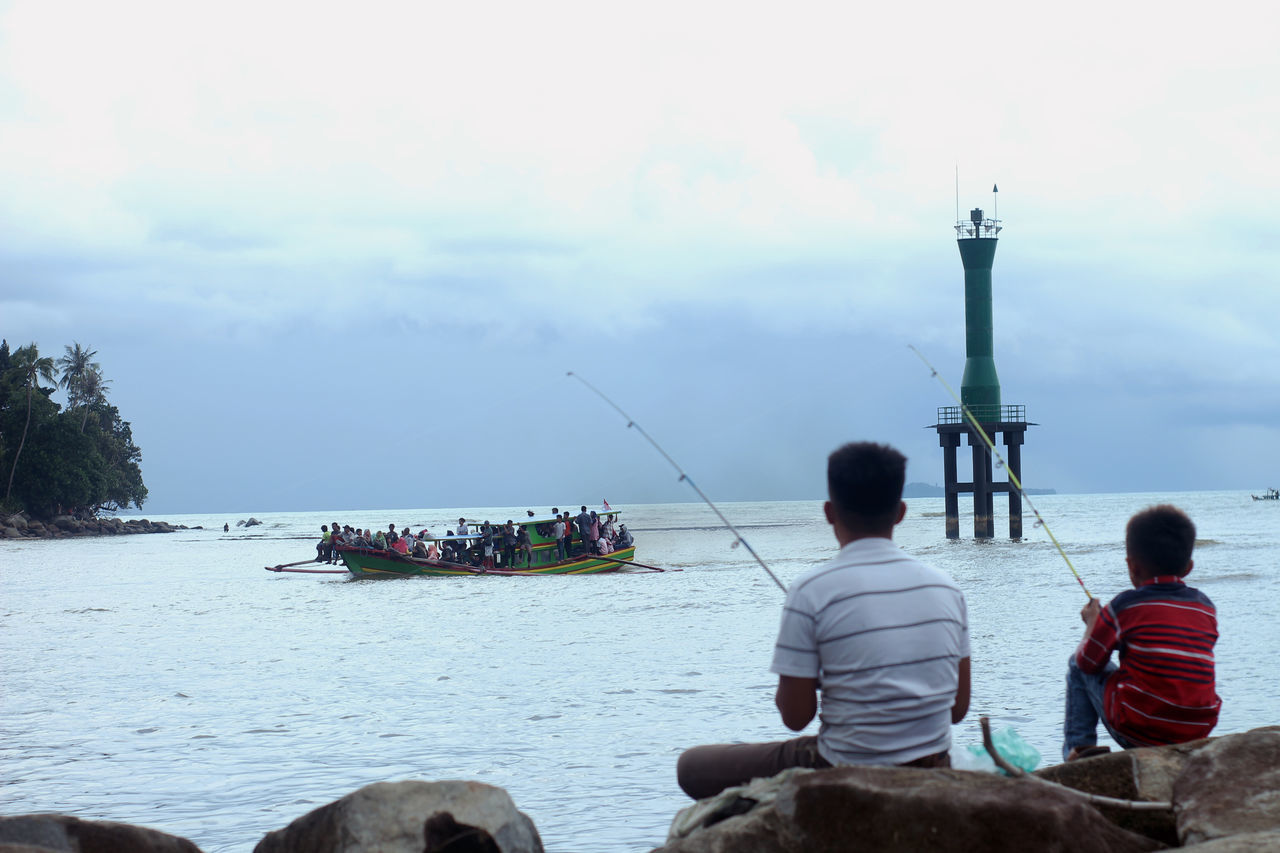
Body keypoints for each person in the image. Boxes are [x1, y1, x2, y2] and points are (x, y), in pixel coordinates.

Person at [676, 441, 970, 800]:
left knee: (692, 766)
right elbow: (957, 709)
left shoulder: (810, 591)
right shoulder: (947, 588)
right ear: (901, 512)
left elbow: (795, 717)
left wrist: (818, 679)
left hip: (843, 767)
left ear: (830, 512)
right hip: (934, 762)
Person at [1062, 504, 1220, 761]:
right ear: (1189, 567)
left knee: (1076, 665)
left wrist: (1093, 624)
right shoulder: (1205, 607)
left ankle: (1078, 753)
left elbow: (1088, 662)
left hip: (1141, 731)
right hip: (1196, 732)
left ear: (1132, 566)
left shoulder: (1125, 606)